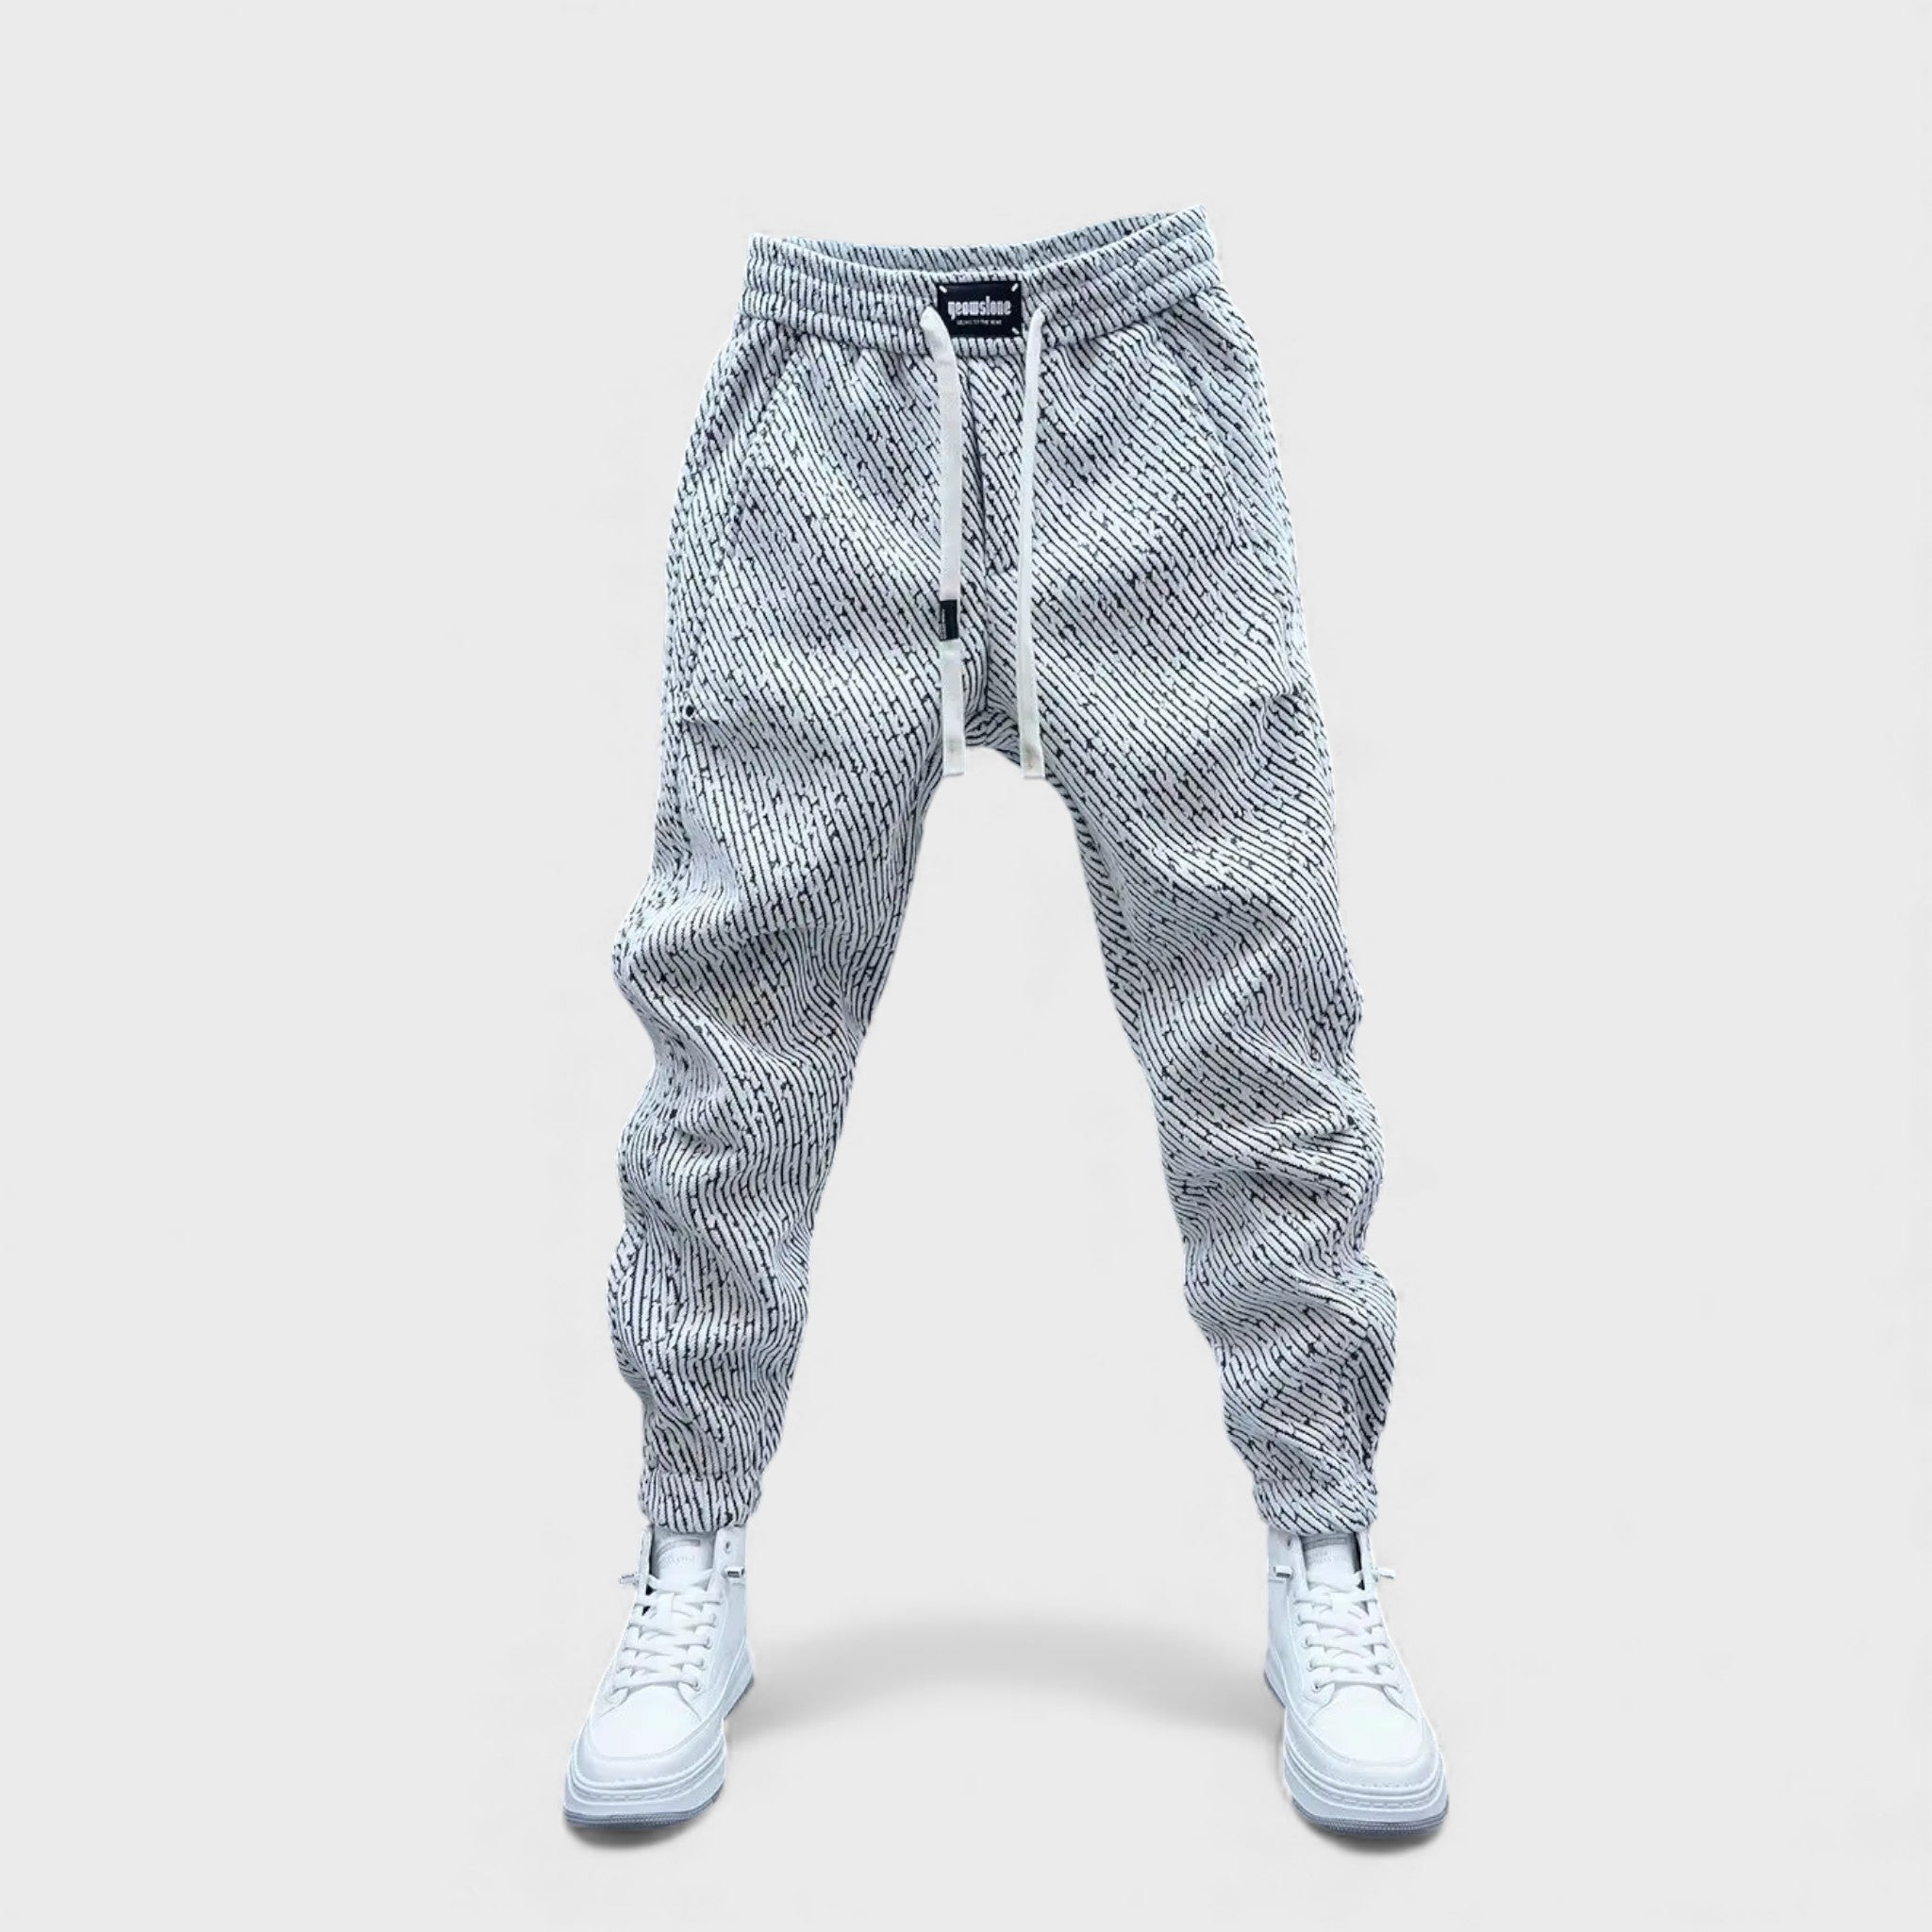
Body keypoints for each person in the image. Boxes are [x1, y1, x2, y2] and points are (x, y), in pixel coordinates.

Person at [562, 211, 1447, 1838]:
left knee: (1256, 1002)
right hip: (821, 399)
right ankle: (690, 1553)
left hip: (1139, 386)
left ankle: (1321, 1548)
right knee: (733, 1015)